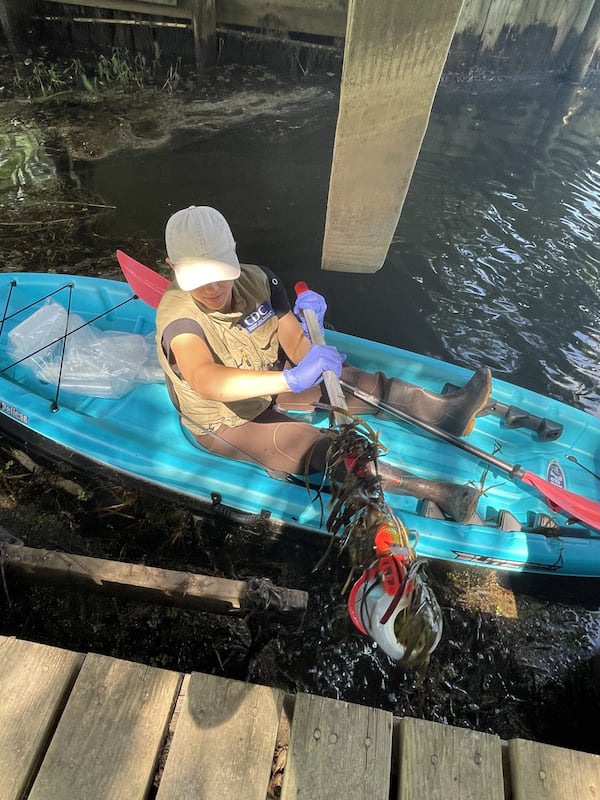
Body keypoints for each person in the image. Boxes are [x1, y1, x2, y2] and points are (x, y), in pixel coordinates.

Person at [155, 206, 492, 522]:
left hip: (272, 379)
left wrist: (310, 328)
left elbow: (299, 350)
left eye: (220, 272)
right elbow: (206, 379)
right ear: (172, 265)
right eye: (199, 277)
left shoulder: (260, 281)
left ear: (233, 252)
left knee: (358, 382)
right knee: (329, 449)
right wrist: (292, 380)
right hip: (228, 420)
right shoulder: (179, 318)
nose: (213, 288)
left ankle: (448, 413)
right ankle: (437, 493)